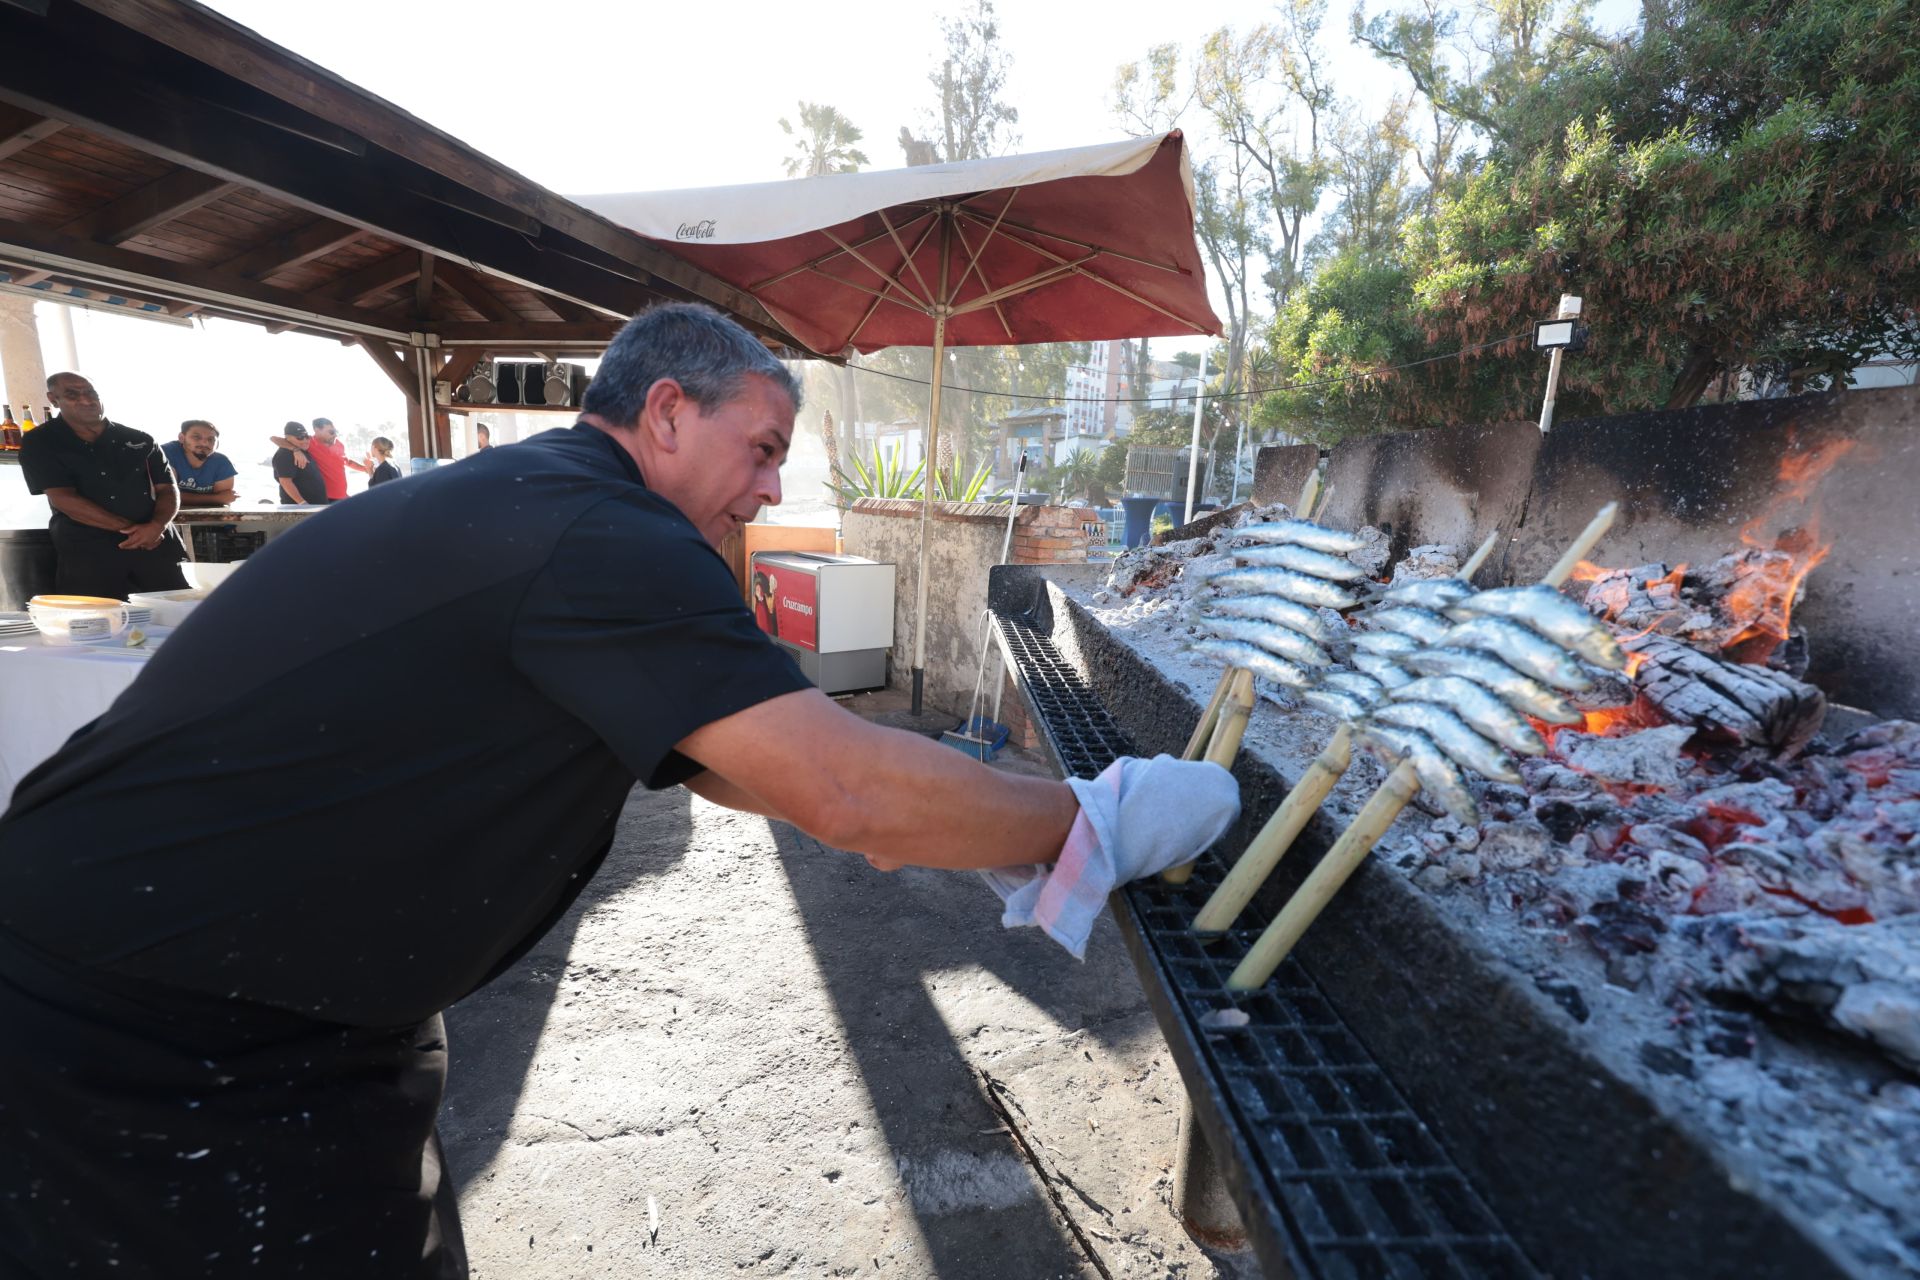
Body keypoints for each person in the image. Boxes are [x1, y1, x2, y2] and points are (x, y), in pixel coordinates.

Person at [0, 304, 1226, 1279]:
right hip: (141, 1022)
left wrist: (967, 816)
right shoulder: (604, 537)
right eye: (759, 452)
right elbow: (852, 789)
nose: (762, 490)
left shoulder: (538, 504)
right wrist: (1092, 820)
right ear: (666, 409)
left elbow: (765, 765)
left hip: (254, 991)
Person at [16, 372, 189, 598]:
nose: (86, 400)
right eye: (72, 394)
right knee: (97, 622)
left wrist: (156, 526)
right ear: (53, 399)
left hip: (156, 543)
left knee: (178, 612)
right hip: (89, 550)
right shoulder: (40, 442)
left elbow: (168, 488)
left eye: (91, 393)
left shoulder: (141, 438)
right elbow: (63, 498)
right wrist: (134, 531)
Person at [161, 419, 240, 507]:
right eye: (197, 437)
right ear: (181, 438)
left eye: (211, 439)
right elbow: (166, 497)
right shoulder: (166, 453)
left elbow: (225, 499)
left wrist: (219, 499)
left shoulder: (222, 463)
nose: (205, 443)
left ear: (217, 444)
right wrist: (215, 498)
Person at [272, 421, 328, 505]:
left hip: (315, 507)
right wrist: (303, 504)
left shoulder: (302, 450)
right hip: (300, 509)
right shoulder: (284, 454)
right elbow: (285, 482)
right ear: (287, 438)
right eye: (300, 437)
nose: (305, 440)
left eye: (306, 436)